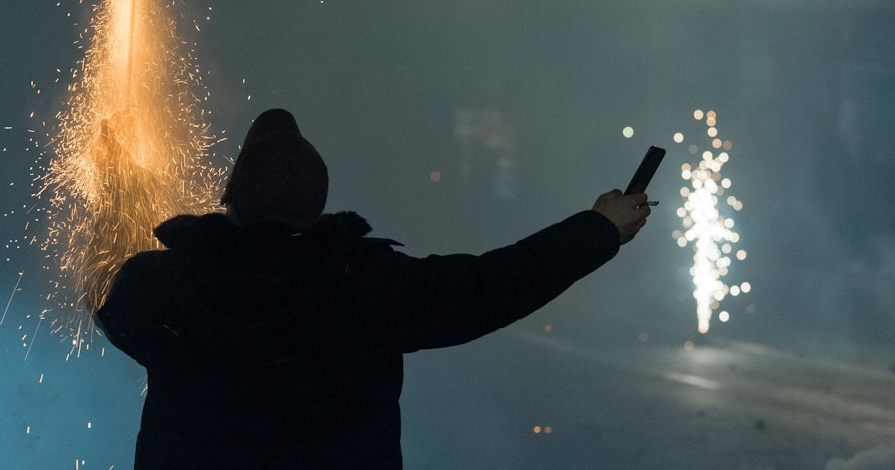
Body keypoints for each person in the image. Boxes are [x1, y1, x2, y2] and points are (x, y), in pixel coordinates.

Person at [97, 109, 651, 469]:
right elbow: (493, 285)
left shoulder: (162, 284)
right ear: (317, 206)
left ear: (228, 198)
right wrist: (598, 229)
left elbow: (104, 290)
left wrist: (114, 186)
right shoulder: (365, 284)